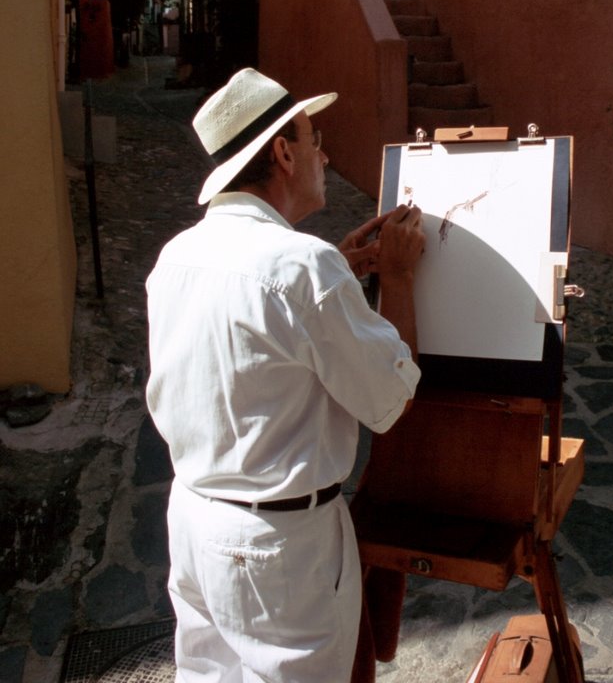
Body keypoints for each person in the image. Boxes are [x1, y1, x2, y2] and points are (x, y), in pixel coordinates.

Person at [146, 67, 425, 683]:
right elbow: (390, 402)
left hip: (194, 519)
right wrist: (398, 280)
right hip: (280, 549)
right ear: (283, 152)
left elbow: (258, 341)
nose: (324, 155)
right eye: (313, 139)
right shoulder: (303, 266)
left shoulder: (177, 256)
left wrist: (340, 281)